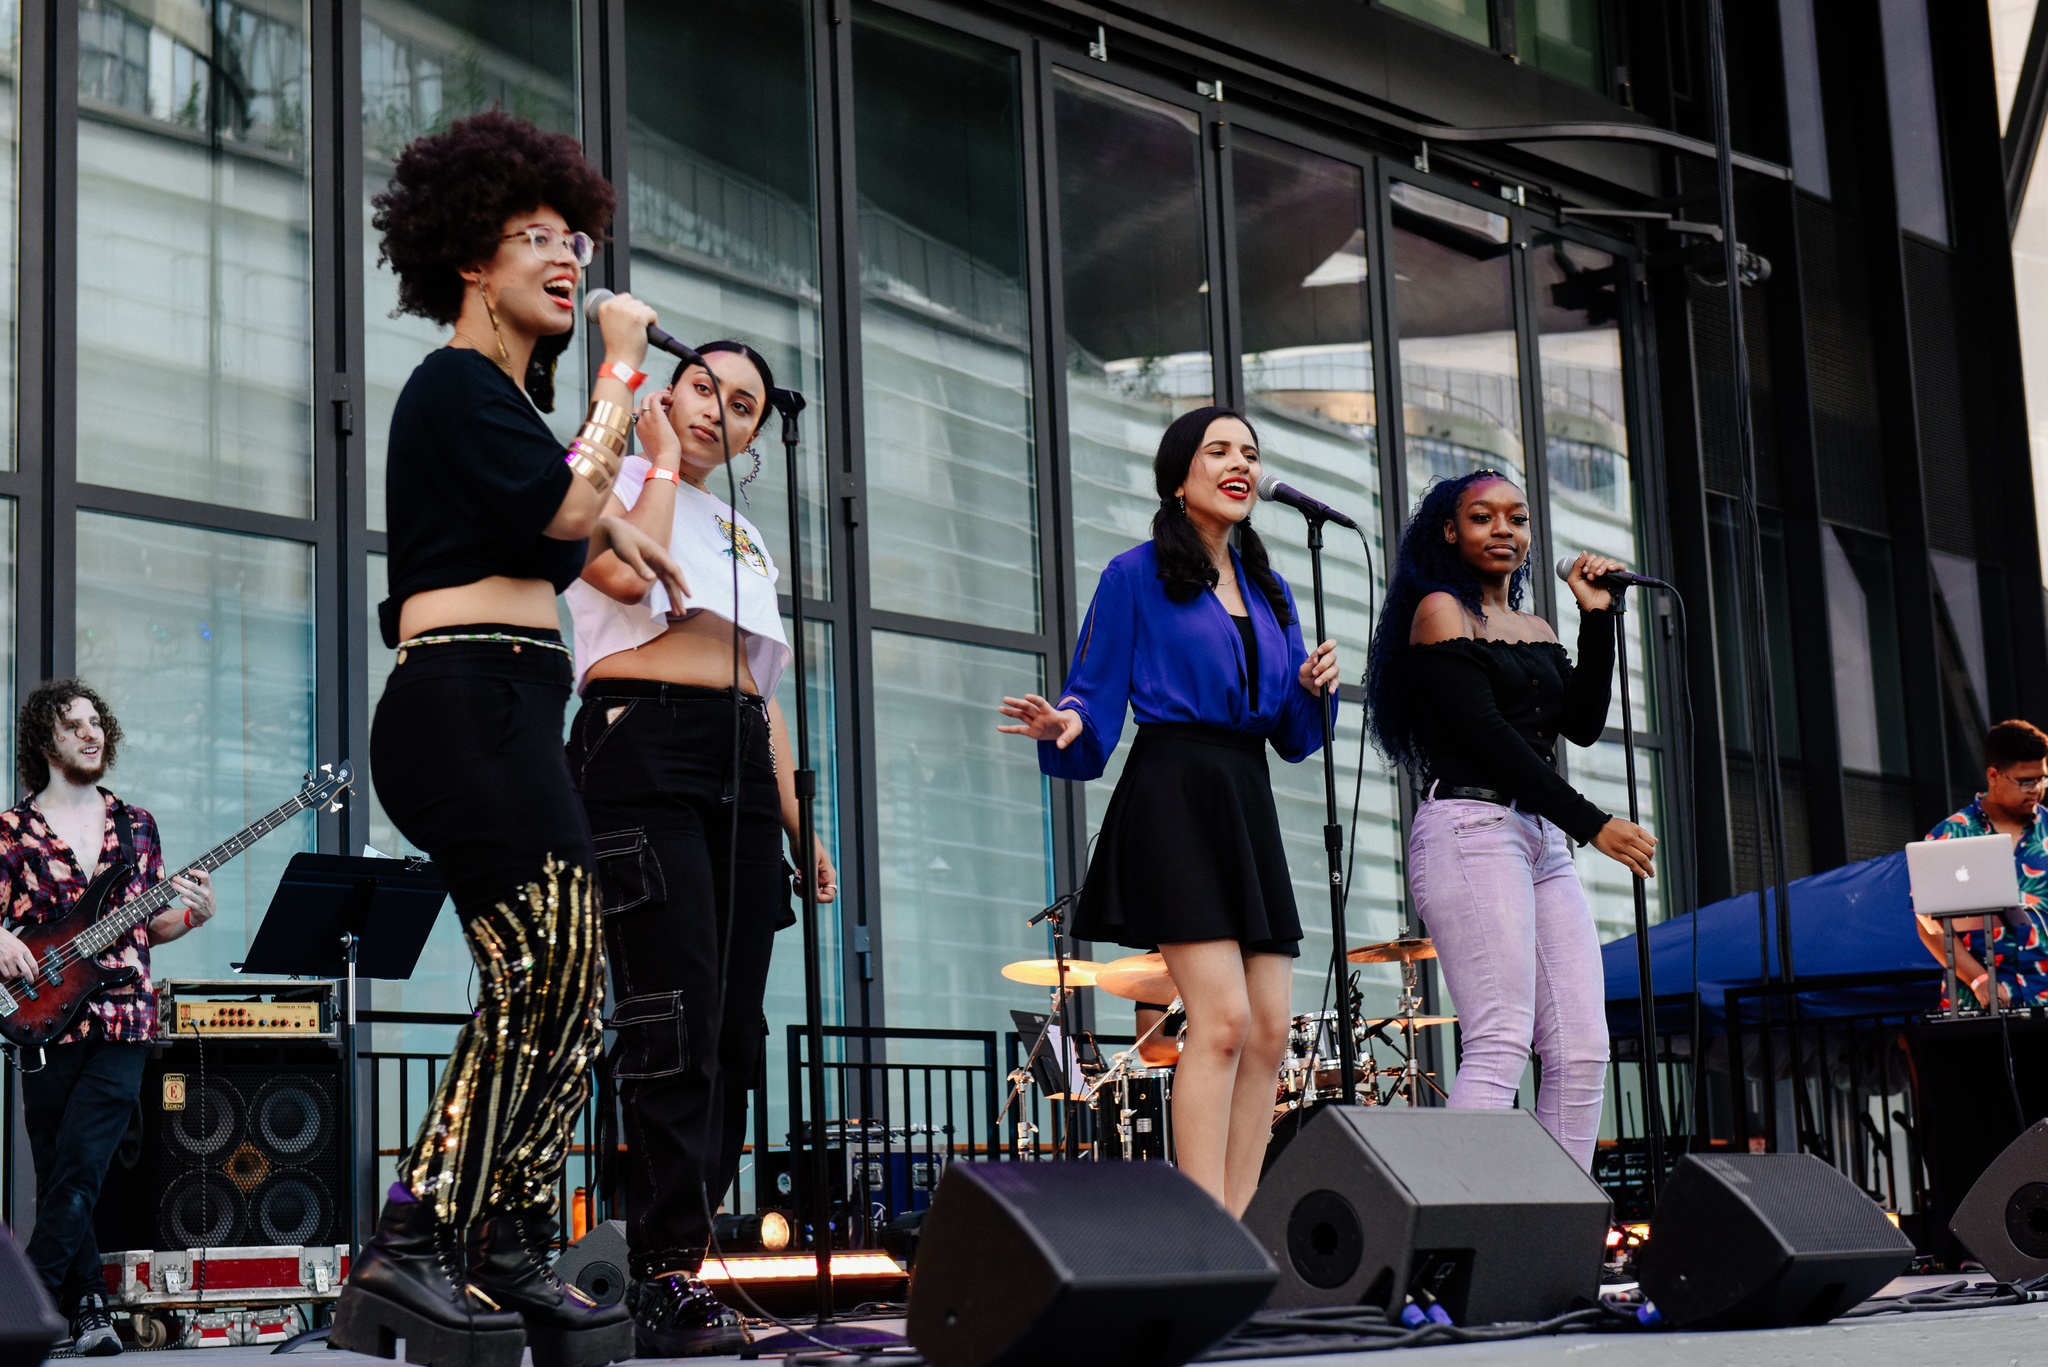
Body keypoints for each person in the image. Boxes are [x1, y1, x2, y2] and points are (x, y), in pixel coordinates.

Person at [333, 111, 688, 1367]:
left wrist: (629, 511)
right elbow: (555, 505)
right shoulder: (454, 384)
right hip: (459, 703)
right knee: (541, 956)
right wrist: (620, 375)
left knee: (570, 980)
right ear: (469, 262)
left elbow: (595, 554)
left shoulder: (507, 412)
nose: (568, 257)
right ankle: (416, 1234)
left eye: (574, 238)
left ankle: (510, 1235)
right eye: (533, 237)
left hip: (509, 702)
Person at [564, 342, 836, 1356]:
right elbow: (601, 568)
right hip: (640, 738)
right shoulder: (618, 478)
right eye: (706, 388)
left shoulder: (745, 533)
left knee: (735, 1033)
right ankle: (665, 1269)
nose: (722, 410)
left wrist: (803, 827)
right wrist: (653, 456)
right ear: (664, 393)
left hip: (732, 757)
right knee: (670, 1013)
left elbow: (755, 687)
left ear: (760, 433)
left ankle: (680, 1250)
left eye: (746, 405)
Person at [998, 406, 1338, 1215]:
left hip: (1245, 796)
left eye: (1251, 453)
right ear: (1178, 476)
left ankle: (1245, 1225)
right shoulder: (1135, 574)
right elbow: (1094, 689)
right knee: (1218, 1022)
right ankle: (1204, 1226)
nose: (1241, 465)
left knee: (1269, 1033)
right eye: (1219, 450)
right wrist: (1068, 722)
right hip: (1174, 792)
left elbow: (1292, 739)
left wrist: (1312, 690)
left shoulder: (1271, 586)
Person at [1363, 469, 1655, 1172]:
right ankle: (1466, 1230)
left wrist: (1597, 616)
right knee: (1499, 1039)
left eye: (1517, 519)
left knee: (1583, 1048)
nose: (1504, 530)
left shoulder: (1535, 626)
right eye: (1483, 517)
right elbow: (1491, 738)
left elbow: (1579, 726)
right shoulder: (1439, 610)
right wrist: (1595, 824)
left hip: (1540, 839)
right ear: (1449, 531)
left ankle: (1552, 1238)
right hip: (1471, 828)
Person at [0, 679, 216, 1355]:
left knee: (85, 1158)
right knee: (65, 1161)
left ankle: (21, 1303)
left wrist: (192, 914)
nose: (91, 733)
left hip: (125, 1017)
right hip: (44, 1017)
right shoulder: (11, 830)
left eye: (96, 723)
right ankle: (88, 1310)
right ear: (45, 741)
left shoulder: (138, 825)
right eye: (73, 725)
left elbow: (148, 931)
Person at [1915, 719, 2048, 1010]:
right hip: (1977, 1006)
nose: (2036, 789)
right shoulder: (1950, 835)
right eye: (2025, 781)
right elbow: (1927, 923)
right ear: (1993, 776)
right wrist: (1979, 980)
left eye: (2042, 778)